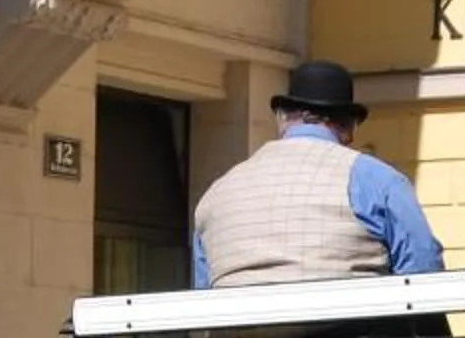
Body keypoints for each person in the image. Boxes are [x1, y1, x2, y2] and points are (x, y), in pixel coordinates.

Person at [190, 59, 444, 288]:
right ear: (349, 128)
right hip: (350, 336)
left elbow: (202, 290)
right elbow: (423, 268)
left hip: (236, 337)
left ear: (282, 119)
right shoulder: (376, 180)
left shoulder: (217, 193)